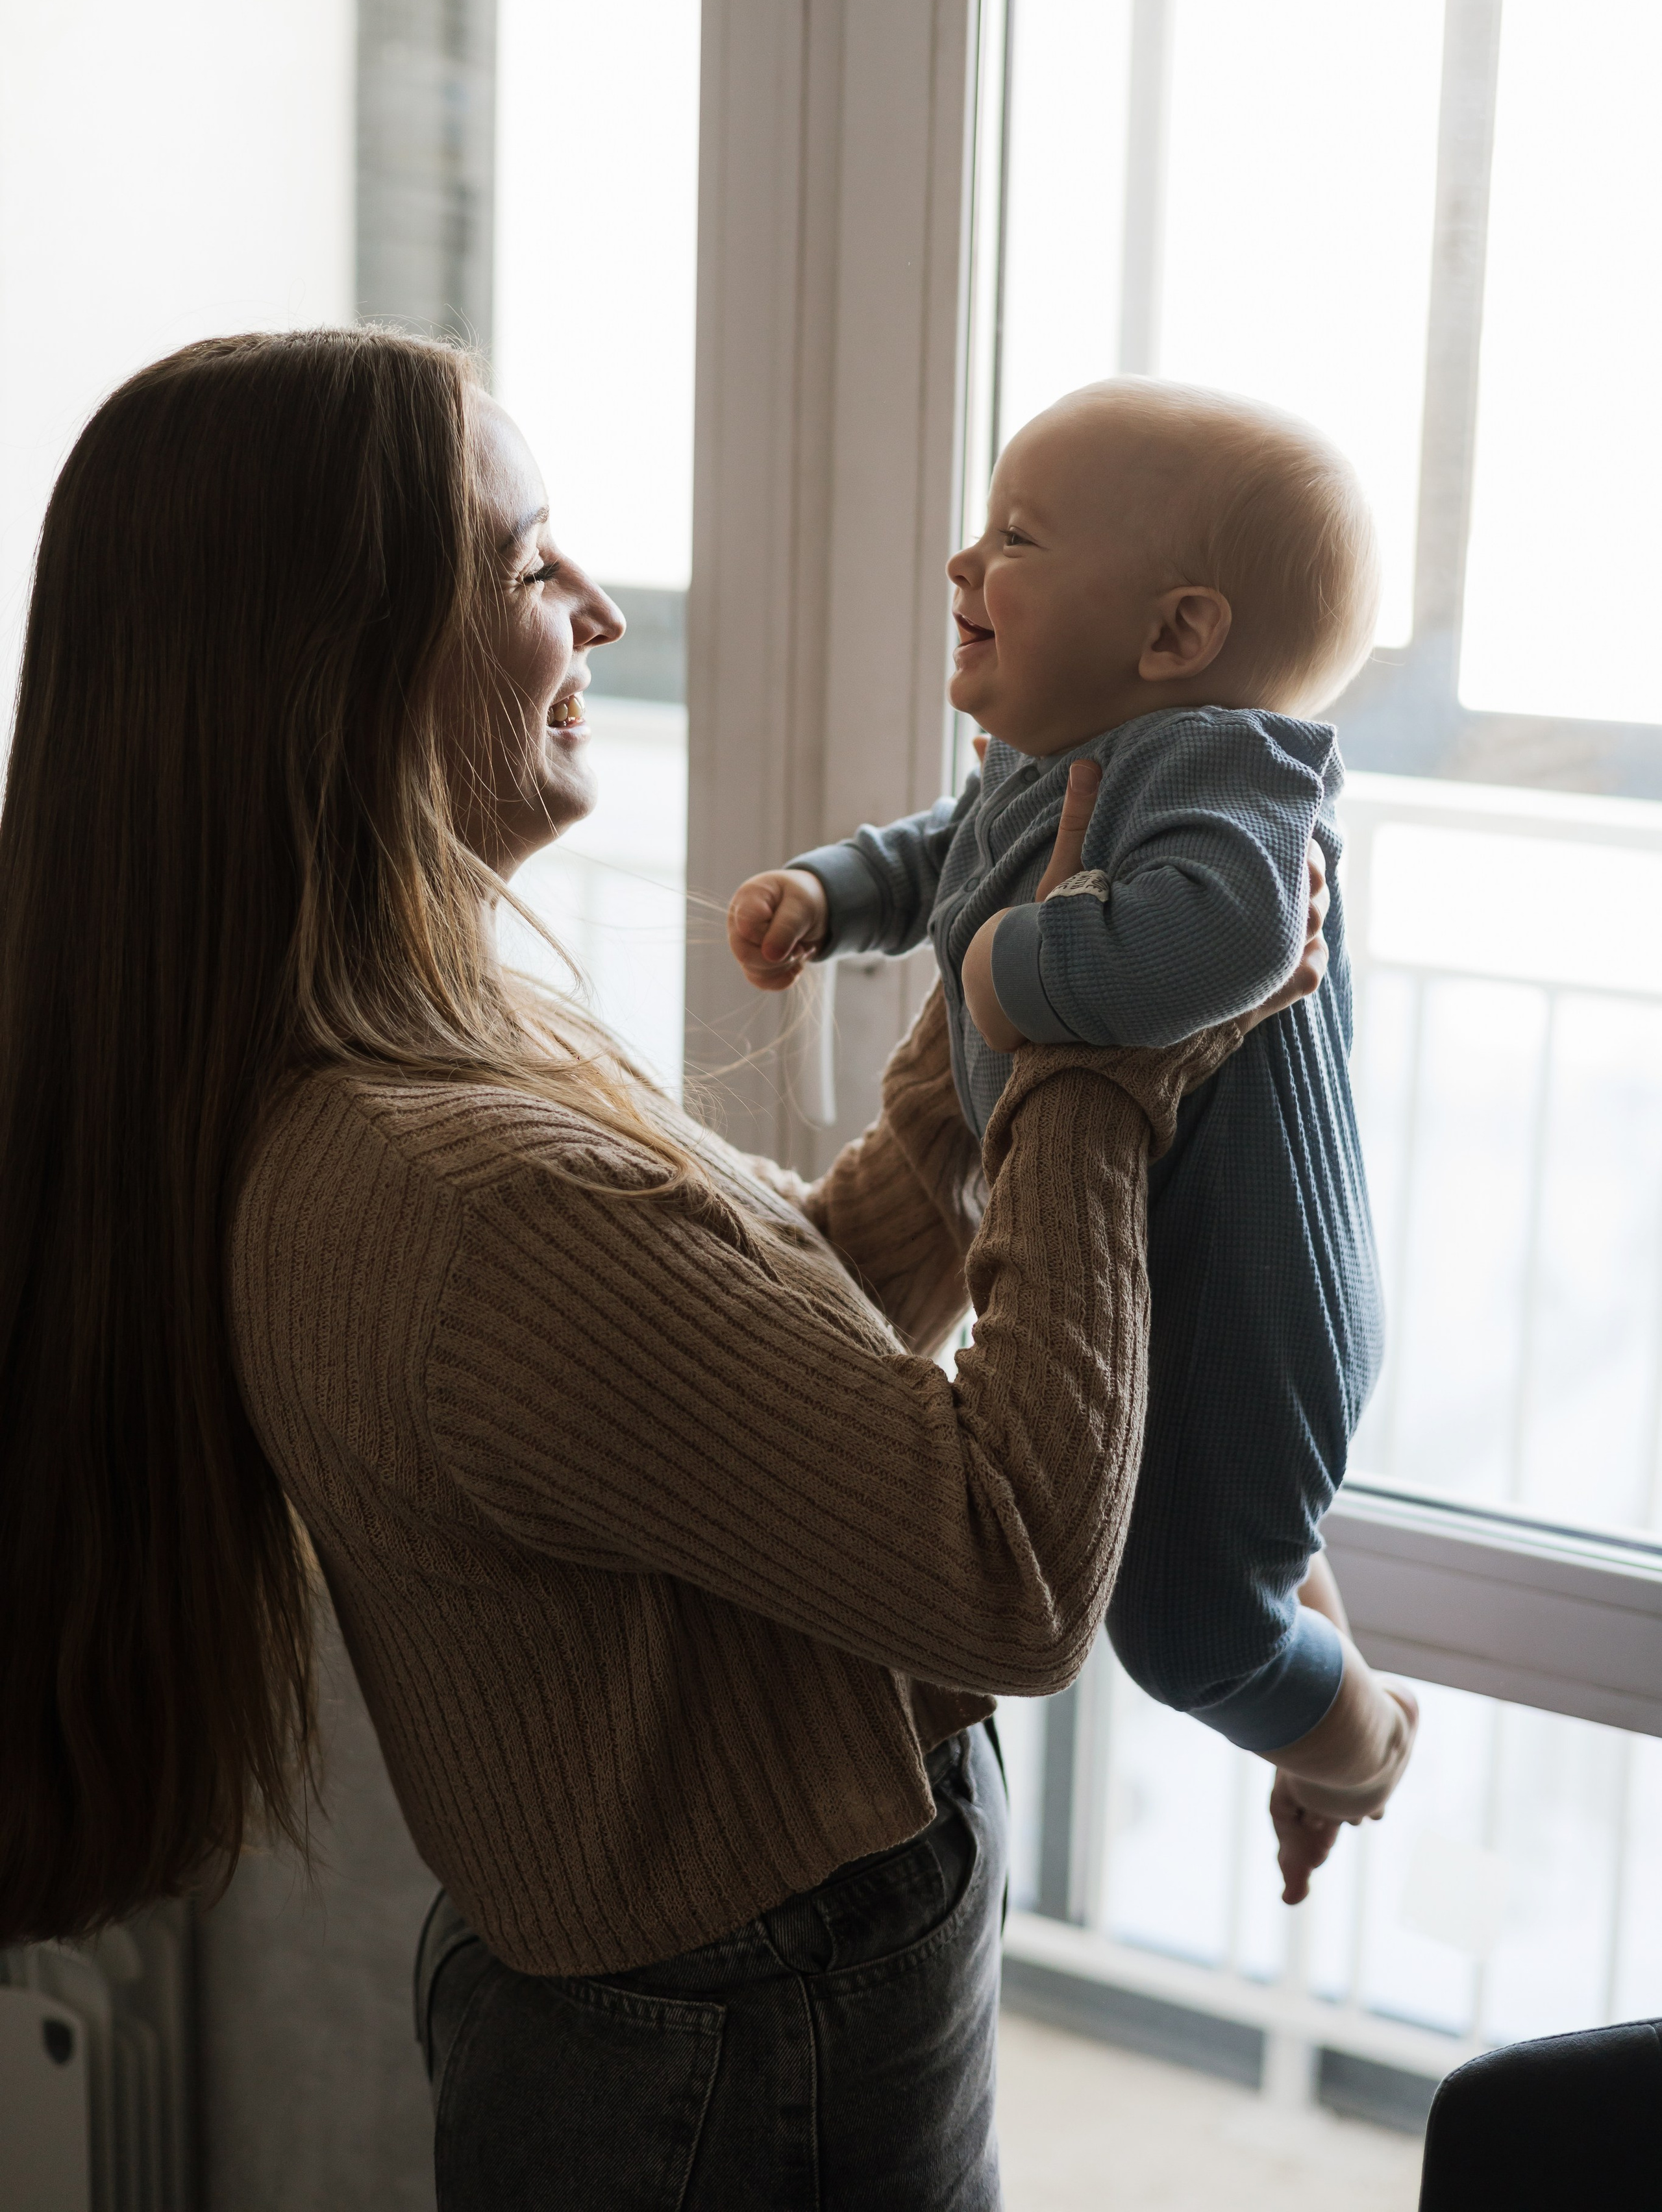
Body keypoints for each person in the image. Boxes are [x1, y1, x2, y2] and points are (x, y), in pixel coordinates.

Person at [0, 330, 1383, 2211]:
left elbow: (740, 1364)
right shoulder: (455, 1190)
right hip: (747, 2054)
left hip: (710, 2018)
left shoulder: (396, 1067)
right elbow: (1010, 1577)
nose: (598, 615)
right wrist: (1091, 1048)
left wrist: (978, 1082)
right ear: (330, 666)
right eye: (527, 563)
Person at [728, 378, 1417, 1899]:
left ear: (1173, 637)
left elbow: (1239, 931)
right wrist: (834, 893)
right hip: (1161, 1271)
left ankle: (1354, 1749)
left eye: (1016, 538)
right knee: (1220, 1538)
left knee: (1179, 1630)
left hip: (1245, 1297)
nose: (965, 567)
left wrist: (1010, 972)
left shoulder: (1226, 766)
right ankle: (1301, 1634)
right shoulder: (1064, 755)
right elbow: (951, 852)